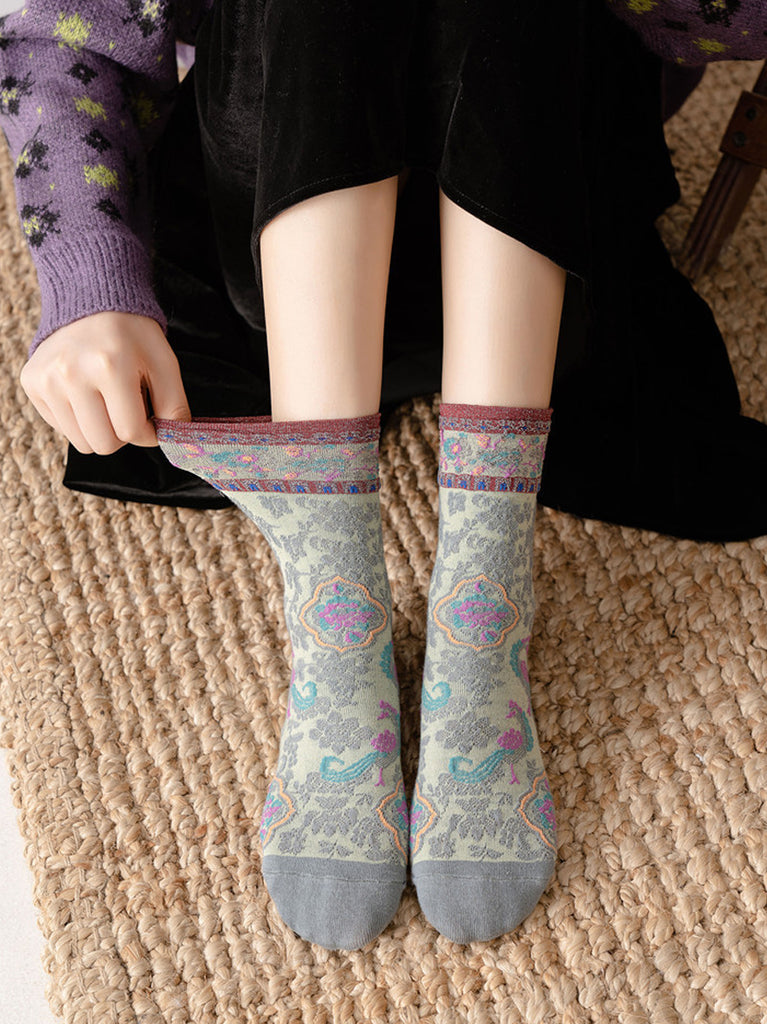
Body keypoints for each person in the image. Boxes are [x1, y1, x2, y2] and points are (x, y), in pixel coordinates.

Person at [0, 0, 765, 952]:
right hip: (278, 280)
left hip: (545, 256)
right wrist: (89, 279)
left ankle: (484, 605)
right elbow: (58, 33)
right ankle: (336, 610)